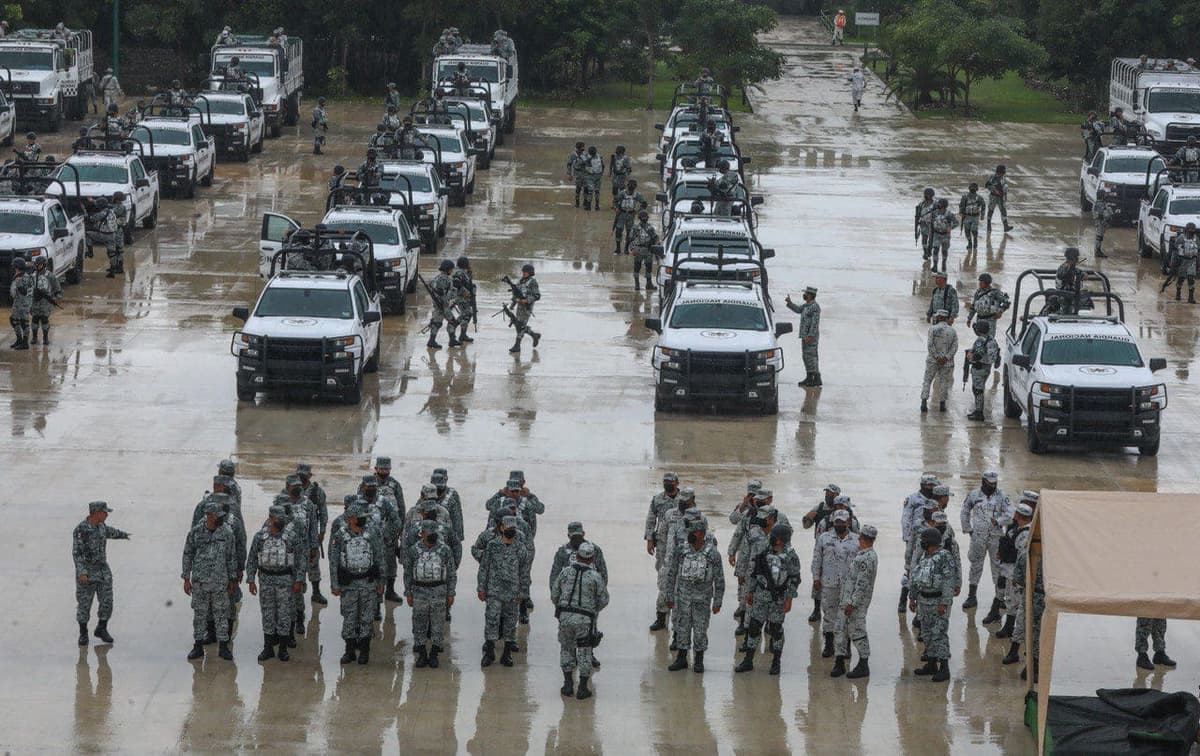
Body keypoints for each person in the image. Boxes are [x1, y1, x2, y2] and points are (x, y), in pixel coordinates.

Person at [735, 524, 802, 675]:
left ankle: (776, 662)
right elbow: (755, 573)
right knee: (754, 627)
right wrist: (750, 592)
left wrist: (789, 599)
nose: (772, 538)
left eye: (775, 536)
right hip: (760, 596)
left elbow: (795, 579)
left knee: (776, 630)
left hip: (778, 599)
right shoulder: (764, 552)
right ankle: (748, 660)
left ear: (782, 539)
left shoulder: (791, 556)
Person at [665, 517, 724, 673]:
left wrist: (717, 602)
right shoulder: (681, 551)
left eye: (694, 532)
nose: (690, 534)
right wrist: (669, 596)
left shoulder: (712, 554)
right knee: (682, 628)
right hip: (683, 599)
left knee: (700, 630)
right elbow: (671, 574)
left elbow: (719, 580)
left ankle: (699, 660)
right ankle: (682, 658)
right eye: (689, 531)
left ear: (702, 534)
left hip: (702, 601)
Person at [182, 501, 239, 661]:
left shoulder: (227, 533)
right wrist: (186, 578)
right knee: (200, 615)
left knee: (221, 614)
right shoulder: (196, 532)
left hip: (220, 582)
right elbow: (187, 554)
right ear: (209, 516)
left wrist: (232, 579)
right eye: (218, 516)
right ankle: (198, 646)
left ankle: (223, 647)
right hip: (200, 582)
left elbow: (231, 557)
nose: (221, 518)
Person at [246, 504, 303, 662]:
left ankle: (283, 649)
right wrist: (251, 579)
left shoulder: (291, 537)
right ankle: (268, 648)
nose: (280, 521)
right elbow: (252, 559)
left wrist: (298, 580)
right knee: (268, 614)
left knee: (284, 615)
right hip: (265, 581)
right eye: (277, 518)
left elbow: (300, 560)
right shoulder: (260, 537)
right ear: (270, 519)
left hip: (285, 581)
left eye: (282, 519)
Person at [330, 503, 385, 665]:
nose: (363, 520)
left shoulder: (372, 533)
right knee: (349, 617)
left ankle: (364, 650)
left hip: (368, 583)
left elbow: (379, 557)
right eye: (360, 517)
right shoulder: (340, 536)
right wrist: (335, 584)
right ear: (352, 519)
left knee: (367, 618)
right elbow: (334, 562)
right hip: (349, 585)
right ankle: (349, 650)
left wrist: (381, 581)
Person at [553, 541, 608, 699]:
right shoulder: (595, 576)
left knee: (566, 649)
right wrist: (593, 609)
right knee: (585, 652)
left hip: (565, 618)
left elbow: (554, 594)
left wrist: (562, 608)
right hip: (585, 619)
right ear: (591, 559)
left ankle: (568, 684)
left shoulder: (565, 573)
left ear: (577, 556)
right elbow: (604, 599)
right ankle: (583, 688)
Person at [73, 501, 130, 646]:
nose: (106, 515)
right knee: (84, 604)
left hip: (103, 571)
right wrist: (82, 572)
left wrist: (123, 534)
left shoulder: (101, 527)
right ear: (96, 512)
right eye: (104, 512)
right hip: (87, 572)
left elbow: (110, 532)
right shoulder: (81, 530)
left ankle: (101, 628)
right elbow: (77, 554)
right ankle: (83, 633)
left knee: (107, 602)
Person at [477, 515, 530, 668]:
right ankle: (490, 652)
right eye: (508, 529)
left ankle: (506, 654)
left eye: (513, 529)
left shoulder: (521, 548)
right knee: (491, 620)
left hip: (513, 593)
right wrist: (481, 588)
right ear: (501, 528)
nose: (511, 531)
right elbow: (484, 568)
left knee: (510, 623)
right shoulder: (492, 545)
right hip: (494, 591)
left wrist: (523, 593)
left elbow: (525, 572)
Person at [405, 517, 457, 668]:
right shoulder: (414, 550)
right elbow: (408, 573)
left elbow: (452, 573)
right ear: (422, 533)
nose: (432, 534)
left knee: (437, 624)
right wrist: (408, 593)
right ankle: (421, 653)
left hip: (439, 591)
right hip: (419, 591)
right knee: (419, 623)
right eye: (429, 532)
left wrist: (451, 593)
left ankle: (434, 654)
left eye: (434, 531)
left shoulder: (445, 550)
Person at [959, 471, 1010, 614]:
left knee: (998, 567)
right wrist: (968, 528)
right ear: (983, 482)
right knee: (976, 565)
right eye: (990, 484)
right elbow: (965, 511)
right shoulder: (974, 495)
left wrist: (999, 521)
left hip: (996, 537)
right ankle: (971, 596)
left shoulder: (1002, 496)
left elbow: (1010, 514)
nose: (993, 486)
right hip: (978, 537)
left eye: (995, 484)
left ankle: (1000, 598)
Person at [812, 509, 860, 659]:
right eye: (837, 521)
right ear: (833, 522)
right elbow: (816, 559)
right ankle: (829, 645)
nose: (840, 524)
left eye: (843, 522)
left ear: (848, 523)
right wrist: (816, 578)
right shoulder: (824, 538)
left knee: (847, 616)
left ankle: (846, 647)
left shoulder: (857, 540)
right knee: (829, 615)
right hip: (828, 583)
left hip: (849, 585)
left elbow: (860, 565)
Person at [831, 524, 877, 679]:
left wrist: (852, 603)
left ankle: (863, 665)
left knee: (857, 632)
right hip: (848, 600)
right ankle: (839, 662)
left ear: (861, 538)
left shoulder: (866, 558)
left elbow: (862, 584)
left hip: (854, 603)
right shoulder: (864, 555)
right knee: (840, 629)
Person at [909, 527, 954, 682]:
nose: (921, 542)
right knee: (927, 634)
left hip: (937, 602)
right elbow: (916, 577)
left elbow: (949, 581)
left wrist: (944, 603)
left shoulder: (944, 557)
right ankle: (931, 663)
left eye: (923, 540)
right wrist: (912, 597)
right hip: (923, 601)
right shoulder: (924, 557)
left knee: (939, 635)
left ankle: (944, 668)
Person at [645, 473, 681, 630]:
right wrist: (649, 539)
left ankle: (678, 620)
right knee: (663, 580)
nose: (667, 484)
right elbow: (651, 519)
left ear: (677, 483)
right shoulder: (657, 499)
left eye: (670, 482)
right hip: (662, 545)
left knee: (679, 582)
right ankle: (661, 616)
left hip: (680, 547)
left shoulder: (685, 500)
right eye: (665, 482)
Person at [295, 463, 328, 604]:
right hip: (294, 535)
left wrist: (322, 532)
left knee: (313, 564)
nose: (302, 477)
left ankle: (316, 592)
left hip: (311, 535)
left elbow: (323, 513)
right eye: (299, 474)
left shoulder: (317, 492)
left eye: (304, 475)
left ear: (309, 475)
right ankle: (298, 594)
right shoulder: (291, 490)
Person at [920, 309, 957, 413]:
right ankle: (942, 404)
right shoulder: (952, 331)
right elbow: (955, 347)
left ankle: (923, 402)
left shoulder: (932, 329)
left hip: (932, 361)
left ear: (940, 317)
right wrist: (946, 358)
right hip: (947, 363)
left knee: (927, 380)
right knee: (943, 382)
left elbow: (930, 345)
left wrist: (937, 357)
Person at [786, 286, 821, 387]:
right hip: (805, 336)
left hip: (811, 337)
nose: (804, 295)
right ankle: (810, 377)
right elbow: (798, 310)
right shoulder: (807, 305)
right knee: (806, 356)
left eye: (806, 294)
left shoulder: (815, 307)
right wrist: (789, 303)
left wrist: (810, 336)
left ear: (810, 295)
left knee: (811, 357)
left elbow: (815, 323)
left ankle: (814, 378)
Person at [966, 320, 1000, 421]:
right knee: (980, 388)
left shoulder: (980, 340)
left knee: (978, 390)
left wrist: (971, 357)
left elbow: (978, 354)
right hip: (987, 368)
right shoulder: (992, 339)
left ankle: (979, 412)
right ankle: (978, 410)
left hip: (979, 368)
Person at [426, 258, 461, 350]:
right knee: (443, 322)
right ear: (448, 269)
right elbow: (443, 293)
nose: (452, 271)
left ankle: (450, 340)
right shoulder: (444, 279)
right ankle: (433, 341)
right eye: (451, 269)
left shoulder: (438, 277)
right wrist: (449, 301)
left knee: (439, 322)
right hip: (442, 306)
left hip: (441, 305)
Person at [508, 263, 541, 353]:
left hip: (527, 307)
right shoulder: (521, 281)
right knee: (519, 325)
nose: (524, 273)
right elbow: (516, 293)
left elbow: (537, 296)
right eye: (523, 271)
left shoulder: (533, 282)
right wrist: (513, 303)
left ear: (530, 272)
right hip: (519, 307)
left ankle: (517, 345)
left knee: (521, 326)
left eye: (526, 272)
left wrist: (527, 300)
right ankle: (534, 335)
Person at [27, 255, 59, 346]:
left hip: (45, 302)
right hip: (35, 301)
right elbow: (29, 287)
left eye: (39, 264)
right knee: (35, 319)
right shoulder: (33, 275)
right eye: (36, 264)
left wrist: (56, 295)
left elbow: (56, 286)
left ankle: (45, 338)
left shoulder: (49, 275)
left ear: (44, 265)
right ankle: (34, 337)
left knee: (44, 320)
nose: (37, 266)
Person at [967, 272, 1009, 339]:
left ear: (987, 282)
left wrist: (1000, 312)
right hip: (980, 320)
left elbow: (1007, 302)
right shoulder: (978, 292)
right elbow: (973, 306)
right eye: (979, 281)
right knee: (981, 339)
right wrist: (969, 318)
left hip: (990, 320)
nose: (979, 283)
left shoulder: (995, 292)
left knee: (989, 339)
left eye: (981, 282)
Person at [612, 179, 647, 255]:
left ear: (635, 187)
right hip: (621, 214)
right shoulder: (622, 193)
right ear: (627, 186)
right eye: (630, 185)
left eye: (633, 186)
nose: (631, 187)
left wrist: (637, 211)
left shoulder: (637, 195)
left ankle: (626, 249)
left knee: (629, 233)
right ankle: (618, 249)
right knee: (618, 230)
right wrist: (616, 209)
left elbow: (644, 204)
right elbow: (614, 201)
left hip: (631, 215)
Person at [628, 210, 659, 291]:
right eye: (643, 217)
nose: (645, 219)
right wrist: (632, 249)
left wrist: (655, 248)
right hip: (638, 249)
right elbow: (630, 239)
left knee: (649, 268)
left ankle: (648, 284)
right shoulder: (635, 228)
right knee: (637, 268)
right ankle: (637, 284)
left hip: (648, 250)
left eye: (645, 217)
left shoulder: (650, 228)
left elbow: (656, 239)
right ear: (640, 218)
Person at [1170, 222, 1199, 302]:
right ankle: (1178, 292)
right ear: (1186, 230)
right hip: (1182, 261)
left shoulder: (1196, 239)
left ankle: (1191, 297)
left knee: (1191, 278)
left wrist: (1198, 264)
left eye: (1193, 231)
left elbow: (1198, 251)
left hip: (1192, 261)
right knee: (1181, 278)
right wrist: (1173, 263)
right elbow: (1175, 251)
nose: (1191, 233)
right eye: (1190, 231)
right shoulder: (1181, 238)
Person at [929, 198, 959, 273]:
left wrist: (950, 227)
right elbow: (931, 223)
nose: (938, 205)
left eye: (939, 204)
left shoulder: (949, 214)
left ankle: (944, 263)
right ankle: (935, 265)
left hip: (945, 235)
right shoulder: (934, 213)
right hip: (936, 234)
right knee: (935, 250)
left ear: (943, 205)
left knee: (944, 250)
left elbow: (956, 223)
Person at [1054, 247, 1086, 313]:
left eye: (1077, 258)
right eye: (1075, 258)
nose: (1077, 260)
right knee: (1067, 308)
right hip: (1064, 294)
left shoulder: (1074, 268)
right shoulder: (1063, 267)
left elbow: (1080, 273)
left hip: (1074, 294)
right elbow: (1061, 275)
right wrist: (1069, 269)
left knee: (1086, 300)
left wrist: (1083, 274)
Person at [984, 164, 1012, 233]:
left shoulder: (1003, 178)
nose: (1005, 171)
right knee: (991, 210)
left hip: (1001, 197)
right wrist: (995, 190)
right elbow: (987, 185)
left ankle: (1005, 226)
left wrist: (1004, 195)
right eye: (1004, 170)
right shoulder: (993, 177)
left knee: (1003, 211)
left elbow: (1004, 188)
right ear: (1001, 171)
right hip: (994, 196)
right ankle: (988, 225)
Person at [958, 183, 985, 252]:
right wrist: (961, 212)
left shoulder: (979, 197)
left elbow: (983, 205)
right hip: (967, 216)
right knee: (967, 230)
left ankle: (975, 240)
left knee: (973, 229)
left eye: (974, 188)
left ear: (977, 189)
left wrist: (982, 214)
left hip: (975, 216)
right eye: (972, 188)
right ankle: (970, 242)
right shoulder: (965, 197)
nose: (973, 189)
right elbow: (961, 205)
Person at [1092, 191, 1116, 260]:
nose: (1105, 196)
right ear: (1102, 196)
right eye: (1104, 195)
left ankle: (1098, 250)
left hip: (1101, 222)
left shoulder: (1100, 203)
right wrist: (1108, 216)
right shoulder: (1100, 204)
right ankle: (1098, 251)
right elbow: (1101, 214)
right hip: (1100, 222)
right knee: (1099, 237)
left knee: (1099, 236)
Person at [914, 187, 936, 261]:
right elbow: (917, 215)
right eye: (926, 195)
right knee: (924, 238)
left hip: (932, 224)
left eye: (929, 195)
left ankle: (929, 251)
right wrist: (916, 226)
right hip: (923, 223)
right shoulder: (921, 204)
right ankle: (925, 252)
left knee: (931, 240)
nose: (927, 196)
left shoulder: (935, 204)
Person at [110, 191, 128, 275]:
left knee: (118, 249)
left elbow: (112, 212)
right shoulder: (119, 206)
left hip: (117, 230)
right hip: (118, 229)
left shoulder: (120, 207)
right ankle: (117, 266)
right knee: (117, 249)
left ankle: (119, 267)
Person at [582, 145, 604, 211]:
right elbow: (603, 166)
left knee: (590, 191)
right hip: (598, 176)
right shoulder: (599, 157)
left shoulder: (586, 157)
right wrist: (601, 174)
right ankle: (597, 206)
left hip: (590, 176)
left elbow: (583, 164)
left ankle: (588, 206)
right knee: (597, 191)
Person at [567, 142, 588, 208]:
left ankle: (585, 202)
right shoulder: (573, 155)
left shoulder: (586, 154)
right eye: (581, 148)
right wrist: (569, 174)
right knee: (578, 189)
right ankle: (577, 203)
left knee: (586, 189)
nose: (582, 150)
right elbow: (569, 164)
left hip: (585, 174)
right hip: (577, 174)